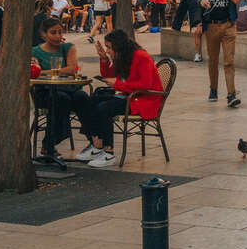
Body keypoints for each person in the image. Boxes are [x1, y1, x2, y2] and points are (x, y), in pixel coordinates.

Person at [77, 28, 162, 164]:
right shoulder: (123, 57)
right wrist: (104, 59)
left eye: (109, 48)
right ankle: (96, 143)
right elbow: (109, 76)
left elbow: (144, 85)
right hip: (129, 96)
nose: (108, 50)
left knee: (104, 108)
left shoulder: (141, 56)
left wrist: (117, 84)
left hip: (142, 99)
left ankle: (108, 151)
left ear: (119, 46)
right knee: (91, 101)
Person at [31, 16, 104, 167]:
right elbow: (33, 72)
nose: (58, 36)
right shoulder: (35, 51)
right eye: (53, 33)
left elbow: (72, 69)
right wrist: (54, 71)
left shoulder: (68, 47)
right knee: (60, 98)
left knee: (82, 97)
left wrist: (45, 71)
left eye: (60, 32)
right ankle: (49, 145)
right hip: (44, 92)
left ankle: (94, 141)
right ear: (43, 34)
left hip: (67, 89)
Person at [191, 0, 245, 107]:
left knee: (229, 61)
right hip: (212, 26)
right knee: (213, 61)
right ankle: (213, 89)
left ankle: (231, 95)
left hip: (228, 25)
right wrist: (202, 1)